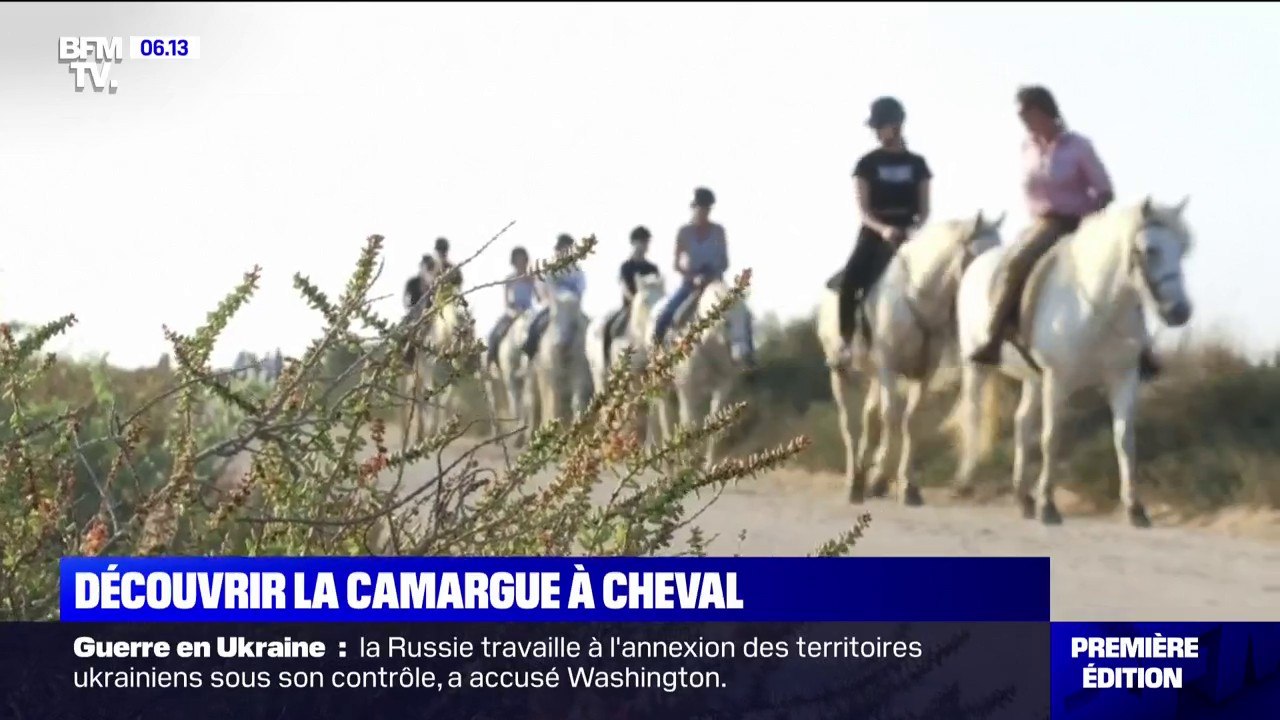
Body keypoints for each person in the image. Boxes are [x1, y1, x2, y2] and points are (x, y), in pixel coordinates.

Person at [968, 85, 1159, 379]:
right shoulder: (1027, 147)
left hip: (1081, 221)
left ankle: (1142, 349)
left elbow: (1105, 189)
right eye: (1021, 116)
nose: (1024, 122)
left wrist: (1089, 215)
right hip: (1044, 223)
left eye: (1027, 114)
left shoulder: (1078, 146)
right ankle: (994, 337)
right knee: (1014, 265)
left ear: (1044, 111)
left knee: (1124, 268)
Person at [836, 96, 932, 363]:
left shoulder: (918, 164)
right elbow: (863, 211)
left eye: (881, 126)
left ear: (897, 125)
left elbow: (924, 210)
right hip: (876, 232)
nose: (877, 133)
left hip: (910, 234)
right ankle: (846, 341)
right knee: (849, 282)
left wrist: (914, 229)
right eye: (876, 128)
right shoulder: (866, 164)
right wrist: (885, 229)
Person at [651, 187, 755, 363]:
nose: (704, 211)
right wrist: (692, 277)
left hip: (714, 279)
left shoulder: (718, 231)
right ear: (693, 207)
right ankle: (657, 358)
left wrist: (713, 273)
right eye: (700, 207)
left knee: (743, 312)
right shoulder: (684, 232)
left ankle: (749, 357)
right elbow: (676, 264)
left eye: (707, 208)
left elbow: (725, 260)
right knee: (667, 314)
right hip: (691, 283)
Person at [522, 234, 586, 359]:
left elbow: (580, 291)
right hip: (552, 306)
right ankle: (529, 357)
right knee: (534, 326)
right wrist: (553, 302)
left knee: (590, 329)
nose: (564, 252)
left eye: (567, 249)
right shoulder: (549, 270)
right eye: (561, 248)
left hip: (572, 307)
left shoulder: (577, 271)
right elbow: (544, 291)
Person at [609, 226, 661, 345]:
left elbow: (657, 287)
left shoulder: (652, 268)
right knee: (613, 328)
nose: (644, 245)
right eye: (641, 241)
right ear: (633, 242)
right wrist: (636, 301)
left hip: (650, 307)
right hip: (629, 306)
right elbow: (624, 287)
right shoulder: (626, 266)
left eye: (646, 242)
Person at [486, 246, 536, 367]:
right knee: (495, 333)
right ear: (513, 262)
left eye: (523, 259)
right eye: (517, 260)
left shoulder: (532, 278)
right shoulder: (509, 279)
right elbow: (506, 302)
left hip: (528, 311)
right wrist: (512, 312)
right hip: (512, 312)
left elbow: (539, 297)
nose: (520, 263)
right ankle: (491, 360)